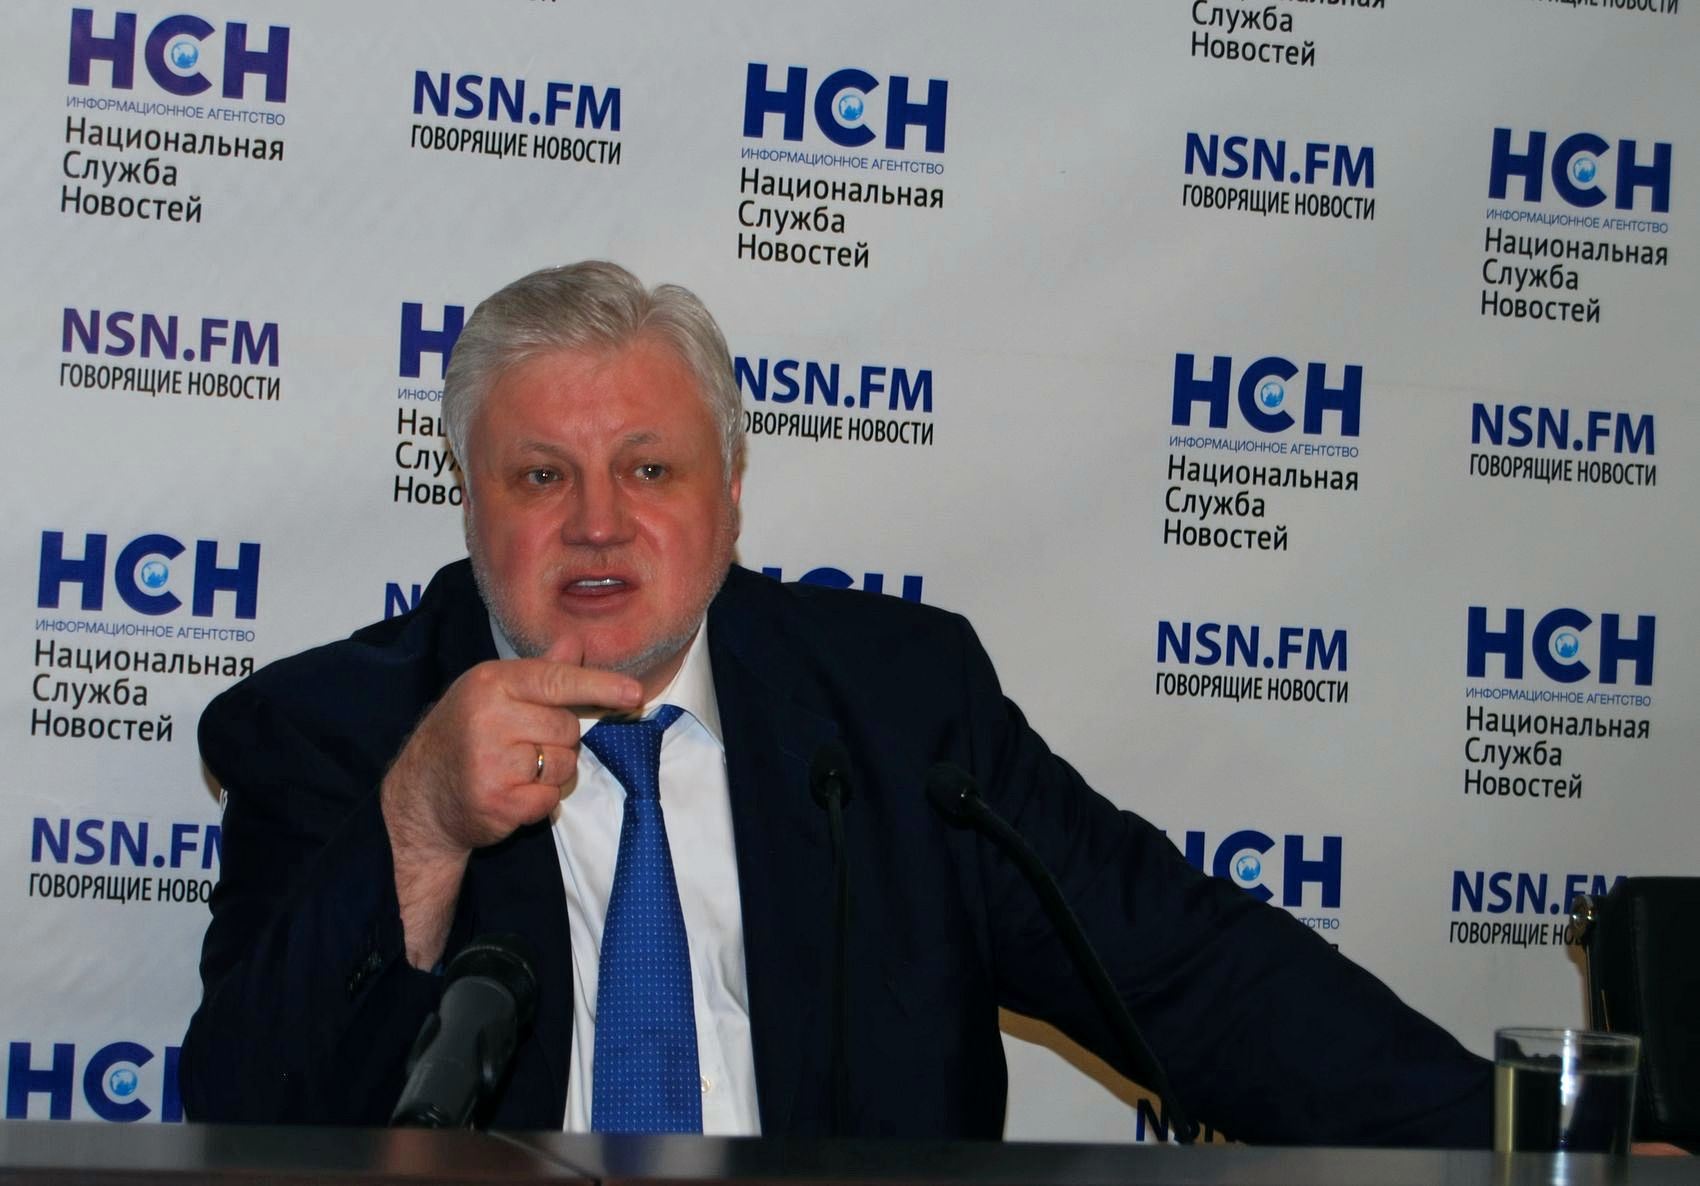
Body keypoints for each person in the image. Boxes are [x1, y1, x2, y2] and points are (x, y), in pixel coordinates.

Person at [181, 261, 1491, 1144]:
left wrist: (1520, 1142)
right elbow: (245, 1115)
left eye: (649, 468)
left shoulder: (899, 706)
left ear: (731, 492)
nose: (598, 523)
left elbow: (1195, 975)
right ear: (466, 496)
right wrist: (419, 826)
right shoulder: (335, 732)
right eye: (539, 476)